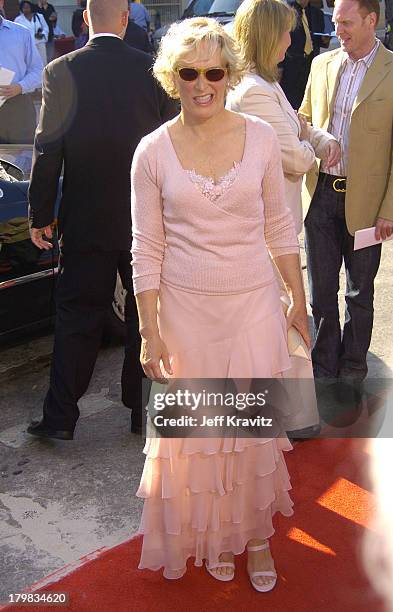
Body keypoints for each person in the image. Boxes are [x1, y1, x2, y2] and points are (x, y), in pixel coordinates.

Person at [132, 17, 309, 591]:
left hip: (252, 305)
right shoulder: (151, 153)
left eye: (213, 70)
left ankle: (255, 536)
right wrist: (149, 331)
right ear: (172, 78)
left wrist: (297, 301)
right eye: (189, 72)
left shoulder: (258, 137)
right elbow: (147, 247)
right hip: (185, 314)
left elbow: (280, 226)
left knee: (250, 430)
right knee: (201, 436)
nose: (201, 83)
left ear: (229, 74)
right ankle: (210, 537)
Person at [27, 0, 177, 442]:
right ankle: (142, 411)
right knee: (145, 313)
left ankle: (60, 418)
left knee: (76, 313)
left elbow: (47, 147)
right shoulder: (151, 70)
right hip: (144, 217)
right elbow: (169, 141)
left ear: (87, 18)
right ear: (127, 18)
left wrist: (40, 213)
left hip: (85, 216)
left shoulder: (60, 70)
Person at [227, 0, 340, 437]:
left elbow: (299, 124)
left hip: (271, 224)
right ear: (265, 35)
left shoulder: (264, 85)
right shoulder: (254, 90)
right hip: (265, 227)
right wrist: (317, 150)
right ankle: (289, 419)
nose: (292, 41)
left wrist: (318, 137)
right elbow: (291, 154)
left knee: (281, 317)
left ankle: (287, 416)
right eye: (285, 32)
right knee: (286, 315)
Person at [299, 0, 393, 384]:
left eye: (347, 23)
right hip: (320, 194)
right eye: (336, 22)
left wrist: (389, 208)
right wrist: (316, 139)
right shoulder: (321, 64)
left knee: (359, 293)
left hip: (368, 204)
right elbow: (301, 118)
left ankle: (354, 364)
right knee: (320, 292)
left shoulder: (391, 70)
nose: (339, 30)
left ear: (372, 20)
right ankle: (324, 365)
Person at [0, 0, 43, 144]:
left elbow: (38, 70)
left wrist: (20, 87)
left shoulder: (21, 33)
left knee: (23, 159)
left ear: (1, 3)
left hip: (19, 107)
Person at [280, 0, 329, 110]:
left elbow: (317, 40)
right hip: (291, 68)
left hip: (311, 66)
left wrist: (324, 40)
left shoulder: (317, 13)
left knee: (309, 103)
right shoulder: (285, 12)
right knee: (291, 104)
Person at [15, 1, 49, 65]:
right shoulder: (18, 20)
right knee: (31, 64)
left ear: (31, 7)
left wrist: (42, 34)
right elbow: (16, 33)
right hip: (27, 46)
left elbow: (46, 28)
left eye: (27, 7)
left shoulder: (39, 16)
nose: (26, 9)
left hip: (39, 43)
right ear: (21, 9)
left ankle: (44, 75)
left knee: (43, 62)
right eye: (24, 8)